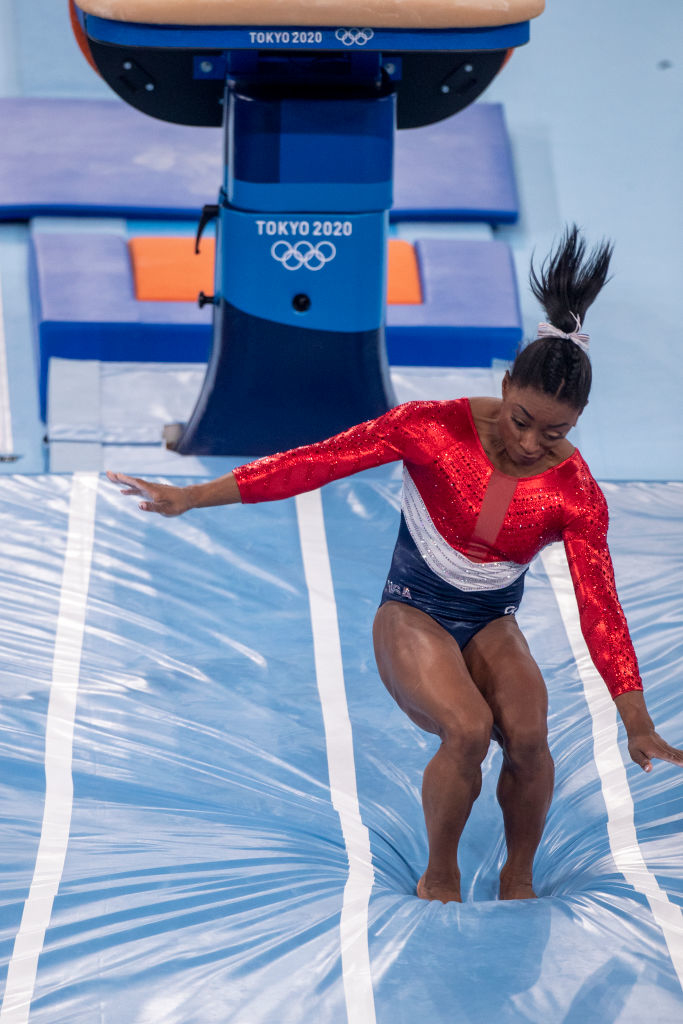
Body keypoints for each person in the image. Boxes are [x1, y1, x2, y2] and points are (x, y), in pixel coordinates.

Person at [108, 226, 683, 904]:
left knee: (528, 736)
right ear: (504, 387)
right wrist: (194, 497)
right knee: (467, 729)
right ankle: (439, 871)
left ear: (578, 421)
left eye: (553, 432)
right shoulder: (430, 427)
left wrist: (634, 718)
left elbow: (600, 606)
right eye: (520, 419)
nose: (529, 444)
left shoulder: (575, 492)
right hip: (412, 610)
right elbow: (313, 460)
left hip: (490, 621)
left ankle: (518, 874)